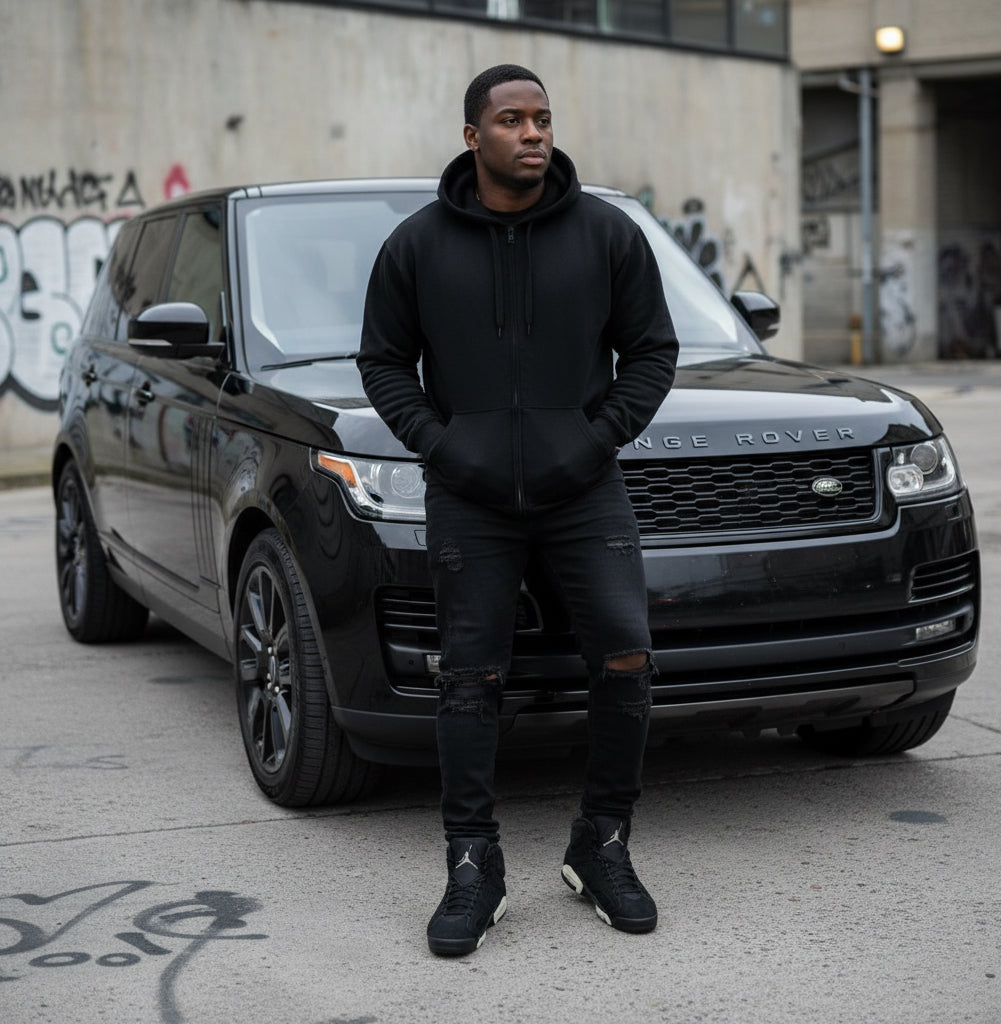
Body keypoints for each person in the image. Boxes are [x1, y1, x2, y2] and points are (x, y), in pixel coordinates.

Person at [358, 64, 678, 957]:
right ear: (474, 136)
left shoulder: (607, 234)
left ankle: (602, 844)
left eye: (542, 118)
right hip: (469, 497)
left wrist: (593, 439)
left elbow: (652, 351)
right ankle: (473, 863)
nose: (532, 133)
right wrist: (443, 446)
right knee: (469, 676)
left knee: (626, 655)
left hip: (585, 489)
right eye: (511, 120)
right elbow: (382, 361)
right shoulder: (417, 245)